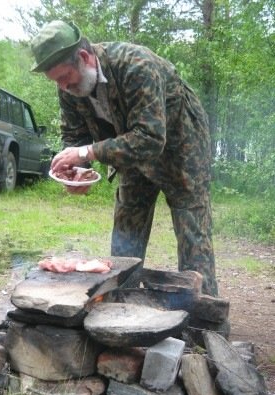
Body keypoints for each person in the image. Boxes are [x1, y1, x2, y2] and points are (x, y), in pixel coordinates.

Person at [31, 20, 218, 296]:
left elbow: (150, 139)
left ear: (84, 58)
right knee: (127, 226)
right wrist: (77, 170)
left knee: (192, 227)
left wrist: (87, 153)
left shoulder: (135, 65)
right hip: (129, 149)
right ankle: (122, 305)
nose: (62, 86)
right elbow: (74, 136)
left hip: (180, 146)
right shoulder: (68, 87)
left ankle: (204, 313)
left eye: (64, 77)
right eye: (56, 80)